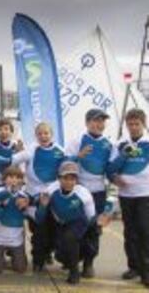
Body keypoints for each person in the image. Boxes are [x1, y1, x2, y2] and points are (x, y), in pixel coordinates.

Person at [65, 108, 113, 277]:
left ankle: (88, 263)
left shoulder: (109, 143)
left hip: (99, 193)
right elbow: (64, 164)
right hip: (79, 191)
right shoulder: (76, 140)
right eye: (95, 120)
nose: (99, 124)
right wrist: (78, 156)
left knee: (94, 229)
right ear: (87, 123)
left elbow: (111, 170)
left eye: (102, 121)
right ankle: (73, 262)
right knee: (76, 227)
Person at [12, 122, 65, 271]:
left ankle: (47, 253)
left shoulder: (60, 151)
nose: (43, 136)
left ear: (51, 134)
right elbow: (13, 160)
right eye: (40, 133)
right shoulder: (31, 150)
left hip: (52, 195)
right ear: (36, 136)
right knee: (37, 229)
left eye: (46, 133)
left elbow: (66, 171)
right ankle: (38, 259)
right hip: (32, 195)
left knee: (52, 227)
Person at [108, 108, 149, 287]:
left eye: (136, 124)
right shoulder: (120, 144)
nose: (133, 127)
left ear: (143, 124)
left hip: (145, 194)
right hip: (126, 195)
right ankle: (133, 266)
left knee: (144, 231)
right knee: (130, 232)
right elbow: (110, 169)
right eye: (130, 124)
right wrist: (124, 155)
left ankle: (146, 271)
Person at [37, 161, 96, 285]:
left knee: (70, 238)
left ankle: (74, 272)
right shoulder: (51, 190)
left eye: (72, 178)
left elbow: (91, 217)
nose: (69, 182)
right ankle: (69, 260)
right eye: (65, 178)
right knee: (60, 255)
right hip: (60, 223)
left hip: (78, 222)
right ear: (59, 178)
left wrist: (87, 236)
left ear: (77, 180)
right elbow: (40, 218)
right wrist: (42, 206)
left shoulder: (84, 193)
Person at [0, 166, 29, 273]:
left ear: (21, 180)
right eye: (10, 177)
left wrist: (25, 206)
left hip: (15, 236)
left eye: (17, 177)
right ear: (4, 179)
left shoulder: (23, 195)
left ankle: (16, 256)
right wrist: (4, 198)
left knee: (20, 269)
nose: (14, 180)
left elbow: (27, 214)